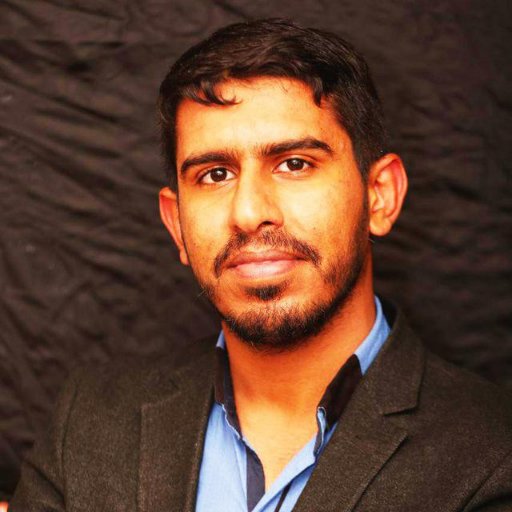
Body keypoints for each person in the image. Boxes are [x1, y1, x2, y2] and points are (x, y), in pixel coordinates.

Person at [10, 18, 512, 512]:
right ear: (177, 224)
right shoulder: (88, 422)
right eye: (215, 174)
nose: (249, 212)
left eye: (295, 164)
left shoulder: (493, 454)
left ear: (379, 196)